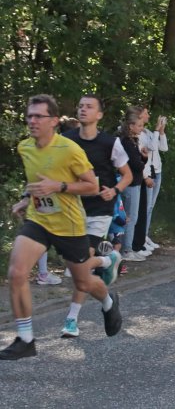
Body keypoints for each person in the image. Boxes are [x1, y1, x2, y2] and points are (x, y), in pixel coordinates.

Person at [1, 94, 122, 360]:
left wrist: (59, 187)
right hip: (39, 220)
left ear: (54, 121)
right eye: (29, 116)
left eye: (38, 116)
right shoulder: (25, 148)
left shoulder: (69, 149)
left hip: (70, 225)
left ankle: (108, 301)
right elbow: (35, 181)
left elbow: (92, 185)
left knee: (83, 281)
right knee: (17, 272)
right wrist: (25, 198)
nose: (32, 121)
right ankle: (25, 338)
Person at [58, 94, 132, 338]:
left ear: (99, 115)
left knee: (80, 265)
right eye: (80, 106)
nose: (83, 110)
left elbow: (128, 175)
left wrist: (116, 190)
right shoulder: (65, 140)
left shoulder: (111, 143)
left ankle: (71, 320)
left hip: (99, 210)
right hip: (71, 209)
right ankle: (108, 260)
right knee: (76, 268)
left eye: (89, 107)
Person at [118, 108, 149, 262]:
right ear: (131, 126)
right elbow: (134, 164)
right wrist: (141, 161)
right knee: (130, 217)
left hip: (134, 181)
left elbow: (138, 162)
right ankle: (126, 249)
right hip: (130, 183)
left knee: (130, 216)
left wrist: (143, 158)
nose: (141, 128)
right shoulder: (126, 142)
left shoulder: (132, 141)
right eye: (139, 126)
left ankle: (126, 246)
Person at [138, 108, 168, 251]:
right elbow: (151, 147)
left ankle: (145, 235)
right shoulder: (139, 134)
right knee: (145, 207)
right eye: (146, 113)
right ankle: (140, 237)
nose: (149, 115)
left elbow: (163, 148)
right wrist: (157, 130)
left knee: (150, 207)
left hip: (157, 171)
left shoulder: (149, 132)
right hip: (148, 172)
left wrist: (161, 132)